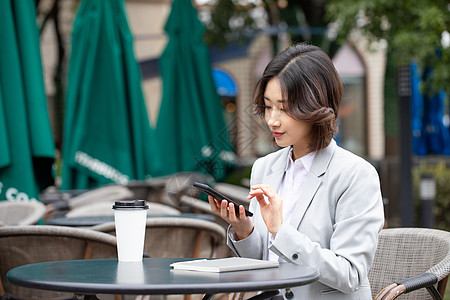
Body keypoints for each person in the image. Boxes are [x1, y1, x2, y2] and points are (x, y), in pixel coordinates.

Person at [208, 43, 385, 299]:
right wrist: (244, 229)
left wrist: (281, 232)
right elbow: (264, 262)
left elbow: (350, 273)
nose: (272, 120)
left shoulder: (356, 175)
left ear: (316, 105)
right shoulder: (265, 167)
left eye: (284, 107)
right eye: (268, 106)